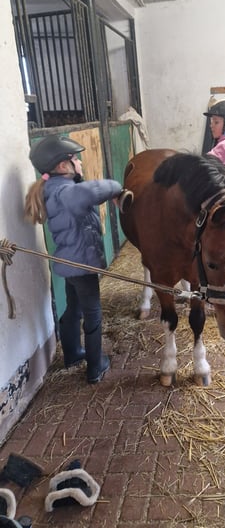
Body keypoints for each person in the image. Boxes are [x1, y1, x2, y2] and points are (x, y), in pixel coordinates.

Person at [25, 134, 125, 384]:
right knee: (93, 314)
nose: (79, 162)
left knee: (73, 309)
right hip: (82, 265)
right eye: (75, 159)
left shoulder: (53, 188)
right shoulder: (65, 192)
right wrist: (117, 188)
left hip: (70, 264)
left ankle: (72, 353)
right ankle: (95, 366)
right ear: (62, 165)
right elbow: (93, 190)